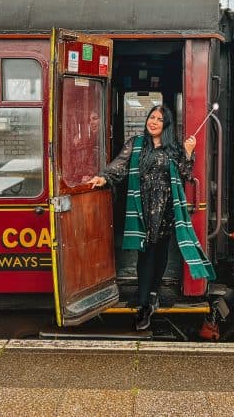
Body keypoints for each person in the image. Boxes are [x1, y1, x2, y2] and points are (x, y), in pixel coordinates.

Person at [87, 105, 215, 331]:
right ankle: (145, 304)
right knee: (145, 256)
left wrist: (188, 152)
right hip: (142, 208)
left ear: (166, 125)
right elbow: (120, 165)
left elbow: (186, 174)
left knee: (160, 254)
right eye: (151, 117)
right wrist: (104, 177)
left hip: (166, 210)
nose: (153, 122)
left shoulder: (174, 149)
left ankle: (153, 293)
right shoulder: (136, 144)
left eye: (159, 119)